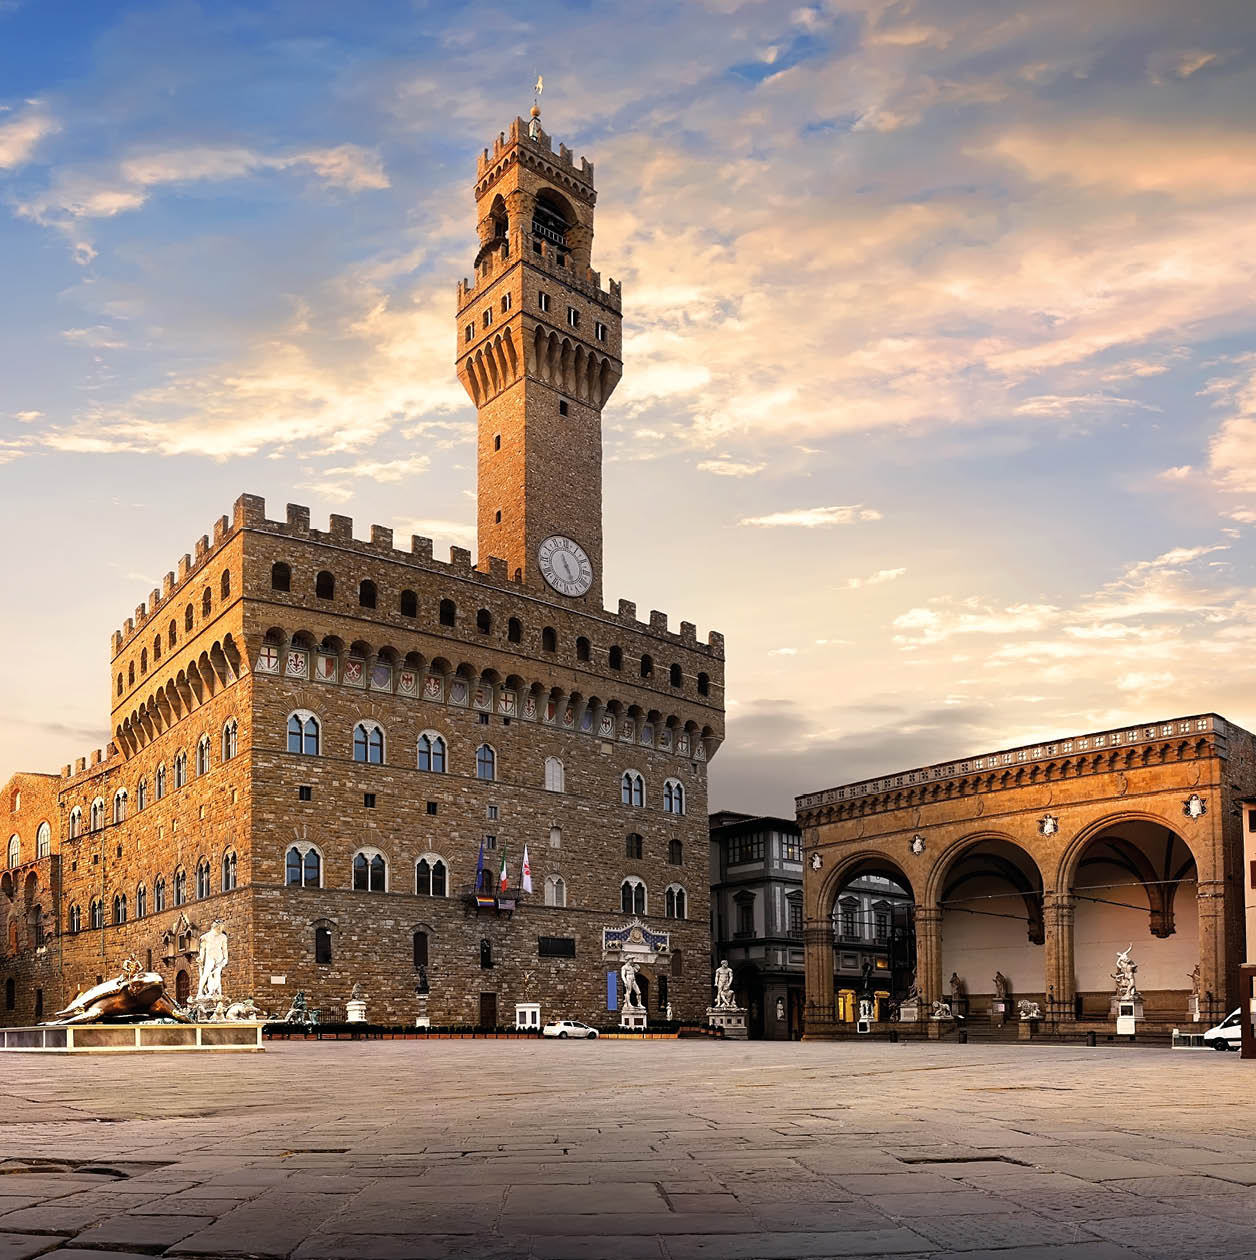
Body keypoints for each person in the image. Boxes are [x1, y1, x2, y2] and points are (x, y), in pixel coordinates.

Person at [195, 920, 229, 1002]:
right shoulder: (205, 937)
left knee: (217, 975)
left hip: (219, 957)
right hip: (209, 956)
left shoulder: (223, 937)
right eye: (219, 927)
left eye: (222, 927)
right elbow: (202, 949)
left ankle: (217, 992)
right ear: (215, 927)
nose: (221, 929)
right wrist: (201, 958)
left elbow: (225, 949)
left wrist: (226, 959)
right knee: (206, 974)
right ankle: (200, 992)